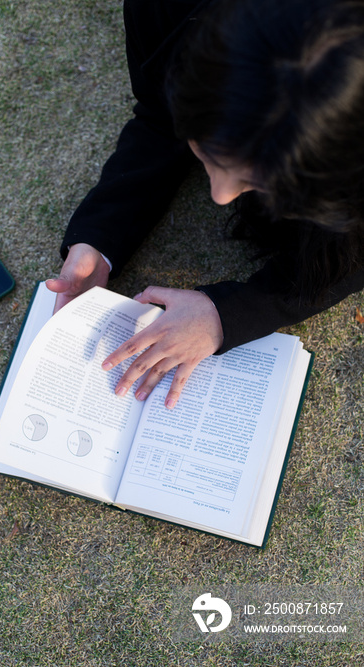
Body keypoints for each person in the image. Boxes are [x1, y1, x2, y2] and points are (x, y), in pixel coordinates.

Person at [46, 0, 364, 408]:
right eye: (210, 156)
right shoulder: (161, 13)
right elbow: (160, 120)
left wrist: (226, 314)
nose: (220, 196)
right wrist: (100, 238)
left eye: (254, 178)